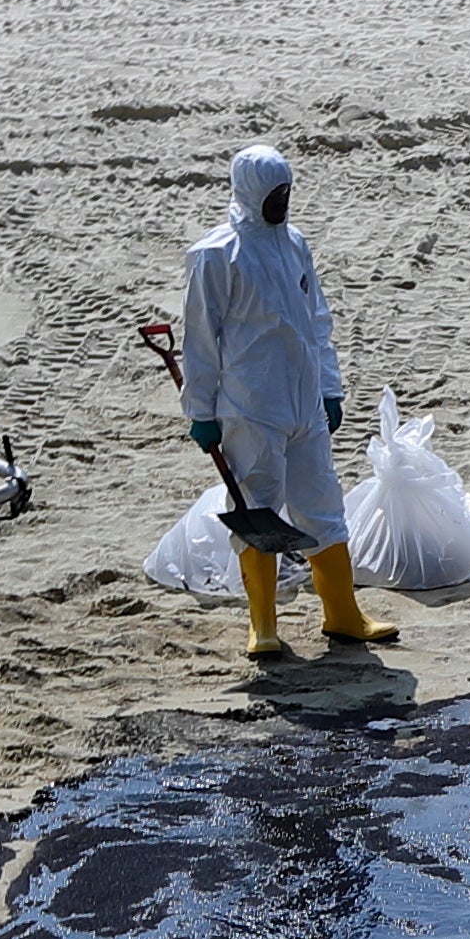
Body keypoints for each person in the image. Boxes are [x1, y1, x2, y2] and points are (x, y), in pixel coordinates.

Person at [180, 144, 389, 661]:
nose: (284, 202)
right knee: (257, 508)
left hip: (303, 402)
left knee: (323, 507)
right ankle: (263, 626)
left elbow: (316, 321)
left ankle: (343, 615)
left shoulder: (295, 244)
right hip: (250, 406)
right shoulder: (216, 254)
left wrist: (330, 386)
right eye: (275, 194)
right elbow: (200, 339)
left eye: (288, 192)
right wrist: (201, 412)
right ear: (252, 192)